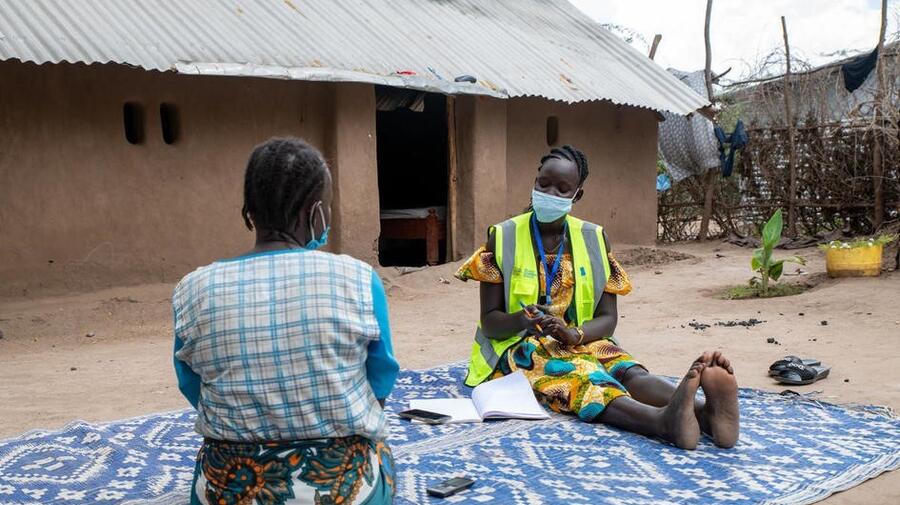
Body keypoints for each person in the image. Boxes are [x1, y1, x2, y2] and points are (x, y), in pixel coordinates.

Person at [456, 145, 739, 450]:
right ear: (534, 181)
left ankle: (704, 414)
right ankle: (661, 422)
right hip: (520, 346)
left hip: (582, 337)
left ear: (577, 196)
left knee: (624, 368)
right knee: (583, 374)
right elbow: (491, 324)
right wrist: (524, 321)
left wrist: (573, 333)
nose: (550, 192)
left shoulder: (593, 238)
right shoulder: (503, 236)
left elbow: (608, 318)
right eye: (544, 184)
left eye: (562, 189)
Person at [172, 137, 399, 504]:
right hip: (344, 487)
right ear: (315, 213)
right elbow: (379, 383)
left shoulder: (192, 289)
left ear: (250, 211)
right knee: (377, 452)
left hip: (227, 487)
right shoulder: (357, 278)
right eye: (326, 207)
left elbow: (193, 387)